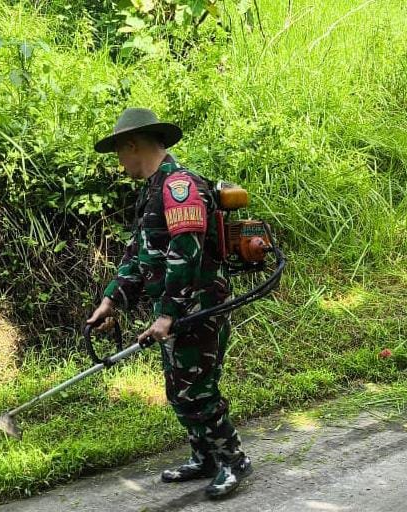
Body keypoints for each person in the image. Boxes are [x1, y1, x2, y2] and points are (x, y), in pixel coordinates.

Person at [85, 107, 251, 499]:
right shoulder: (152, 190)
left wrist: (168, 314)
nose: (119, 163)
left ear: (132, 145)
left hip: (199, 308)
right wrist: (112, 299)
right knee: (179, 389)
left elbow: (185, 252)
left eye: (119, 153)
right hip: (177, 313)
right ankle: (205, 457)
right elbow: (139, 254)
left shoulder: (180, 186)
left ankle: (233, 459)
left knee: (198, 391)